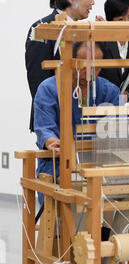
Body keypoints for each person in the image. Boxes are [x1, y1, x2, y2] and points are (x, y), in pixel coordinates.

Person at [34, 41, 120, 182]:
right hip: (58, 164)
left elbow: (117, 129)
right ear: (70, 61)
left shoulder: (110, 91)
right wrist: (53, 142)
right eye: (85, 66)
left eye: (97, 67)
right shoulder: (49, 89)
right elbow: (45, 128)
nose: (91, 73)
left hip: (99, 164)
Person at [26, 0, 95, 132]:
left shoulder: (84, 30)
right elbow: (38, 79)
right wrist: (48, 121)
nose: (93, 2)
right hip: (54, 121)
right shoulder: (42, 28)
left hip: (83, 118)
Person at [97, 0, 129, 104]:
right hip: (99, 103)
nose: (126, 23)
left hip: (119, 105)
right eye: (121, 19)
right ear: (110, 20)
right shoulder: (101, 42)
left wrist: (127, 93)